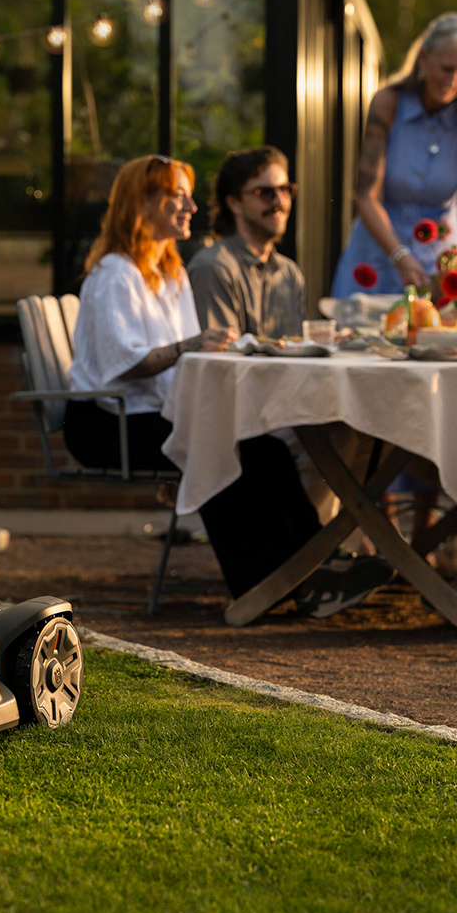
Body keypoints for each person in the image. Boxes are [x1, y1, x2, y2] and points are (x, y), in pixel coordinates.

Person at [65, 155, 386, 617]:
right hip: (107, 421)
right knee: (235, 448)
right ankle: (275, 581)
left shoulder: (169, 273)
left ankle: (311, 569)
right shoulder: (117, 274)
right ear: (143, 203)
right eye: (177, 196)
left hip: (150, 413)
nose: (191, 206)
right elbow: (123, 364)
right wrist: (192, 344)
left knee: (264, 449)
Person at [330, 11, 457, 298]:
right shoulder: (387, 103)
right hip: (378, 255)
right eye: (447, 68)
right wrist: (399, 255)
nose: (454, 80)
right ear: (424, 58)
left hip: (441, 267)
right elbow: (366, 196)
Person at [188, 146, 305, 340]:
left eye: (286, 189)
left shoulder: (290, 274)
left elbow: (297, 352)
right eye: (265, 192)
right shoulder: (213, 268)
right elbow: (219, 361)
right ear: (234, 203)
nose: (279, 201)